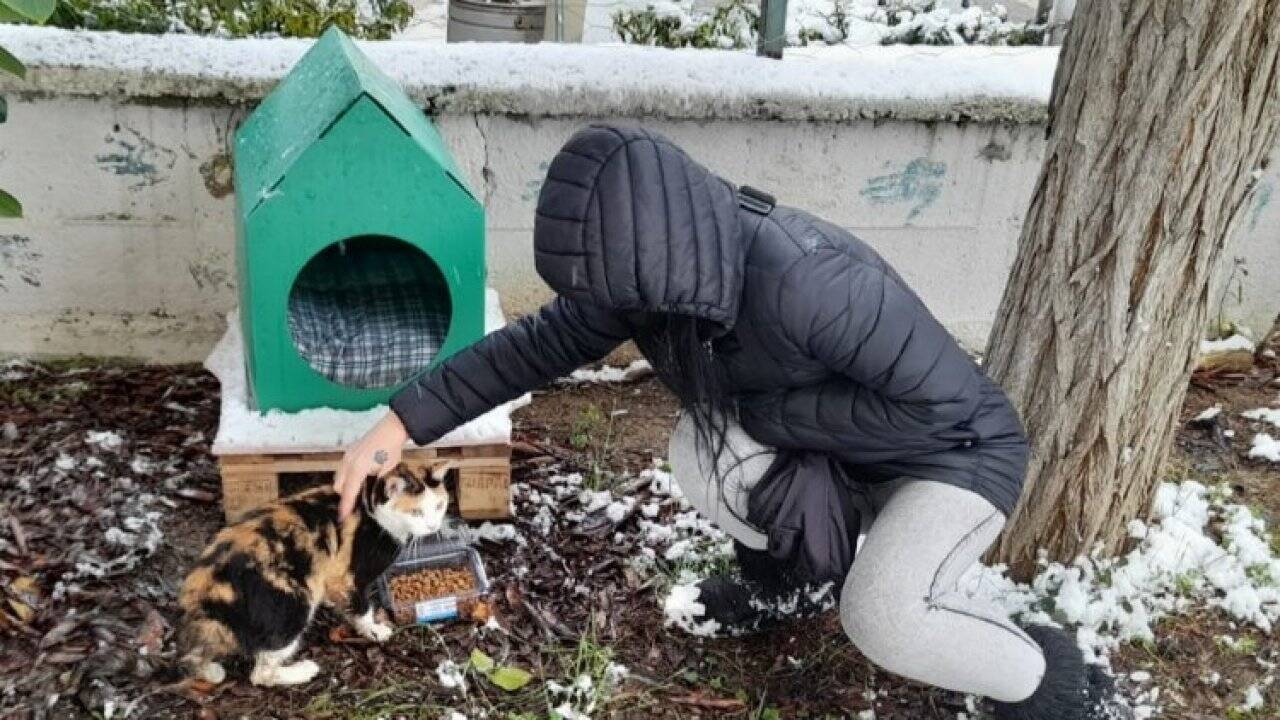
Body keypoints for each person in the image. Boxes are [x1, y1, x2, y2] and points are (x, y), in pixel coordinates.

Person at [335, 125, 1120, 720]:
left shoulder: (812, 280)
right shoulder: (655, 276)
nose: (605, 311)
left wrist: (769, 418)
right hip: (839, 452)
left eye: (608, 293)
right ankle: (788, 585)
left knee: (881, 617)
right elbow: (537, 346)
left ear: (658, 253)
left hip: (952, 460)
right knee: (699, 450)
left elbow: (944, 408)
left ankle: (1051, 676)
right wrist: (396, 425)